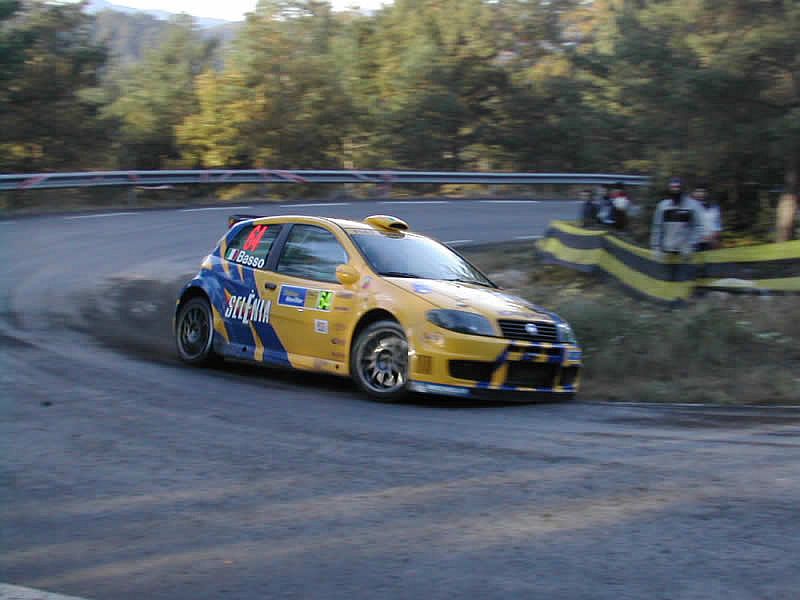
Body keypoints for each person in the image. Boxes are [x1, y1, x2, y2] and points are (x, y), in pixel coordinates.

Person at [651, 176, 703, 264]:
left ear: (682, 188)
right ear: (669, 189)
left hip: (685, 253)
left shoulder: (693, 205)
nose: (675, 190)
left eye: (677, 187)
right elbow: (657, 227)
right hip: (666, 251)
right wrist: (656, 247)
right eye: (672, 187)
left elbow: (698, 227)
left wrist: (691, 244)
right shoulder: (662, 206)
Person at [692, 182, 722, 250]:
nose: (700, 194)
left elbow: (718, 227)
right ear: (694, 193)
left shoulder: (714, 207)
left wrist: (712, 238)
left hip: (712, 242)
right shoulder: (689, 208)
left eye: (702, 191)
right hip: (695, 244)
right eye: (698, 191)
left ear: (707, 193)